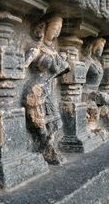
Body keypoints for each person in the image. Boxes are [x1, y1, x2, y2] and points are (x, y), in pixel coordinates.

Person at [25, 16, 69, 165]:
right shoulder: (36, 48)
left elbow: (62, 70)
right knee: (41, 123)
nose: (57, 32)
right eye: (54, 29)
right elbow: (23, 65)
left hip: (48, 90)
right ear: (45, 28)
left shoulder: (54, 51)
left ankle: (47, 148)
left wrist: (64, 60)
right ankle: (45, 148)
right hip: (36, 90)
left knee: (56, 123)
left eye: (59, 30)